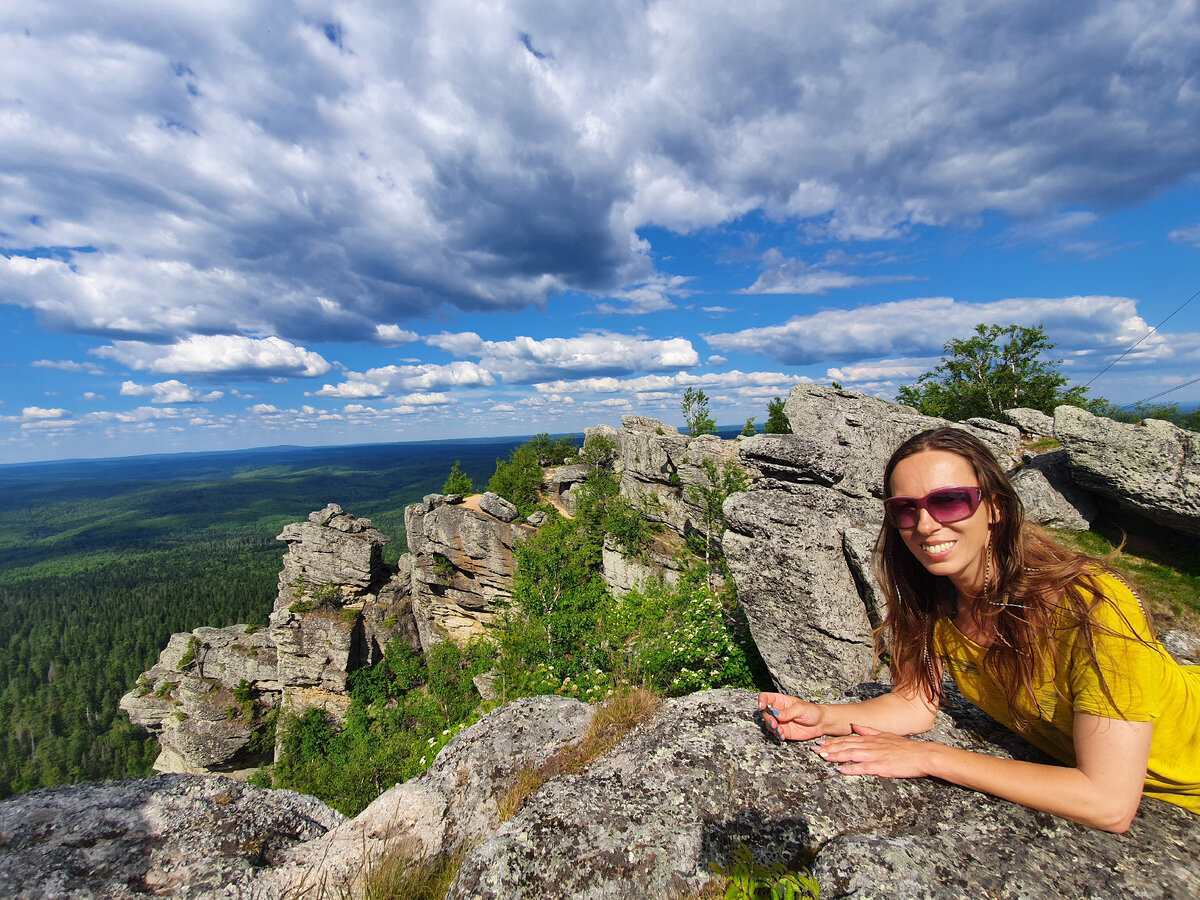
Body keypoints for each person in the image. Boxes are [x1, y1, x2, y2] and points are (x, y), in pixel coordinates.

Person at [759, 427, 1200, 832]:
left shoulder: (1090, 608)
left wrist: (931, 757)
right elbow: (915, 703)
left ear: (996, 508)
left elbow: (1108, 802)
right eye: (905, 509)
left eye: (949, 501)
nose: (926, 524)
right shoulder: (935, 600)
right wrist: (825, 718)